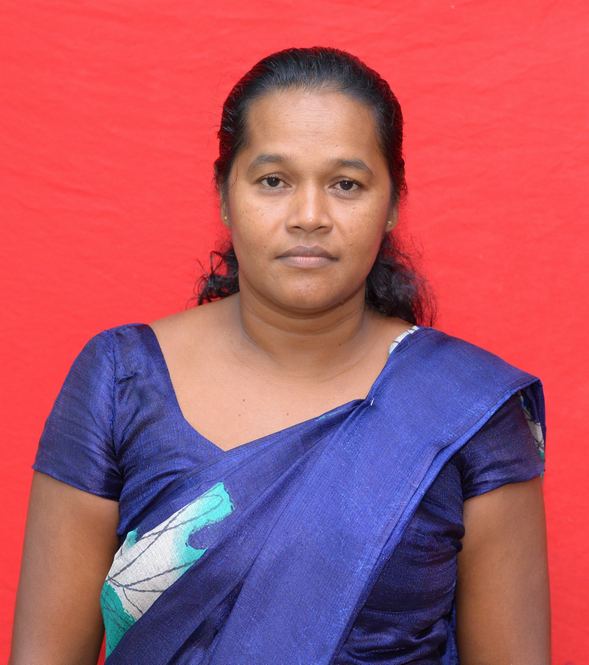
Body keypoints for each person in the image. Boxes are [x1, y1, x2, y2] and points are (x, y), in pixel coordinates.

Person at [10, 46, 550, 664]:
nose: (309, 216)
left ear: (394, 203)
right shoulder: (122, 381)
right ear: (223, 194)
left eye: (346, 185)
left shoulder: (467, 409)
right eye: (274, 181)